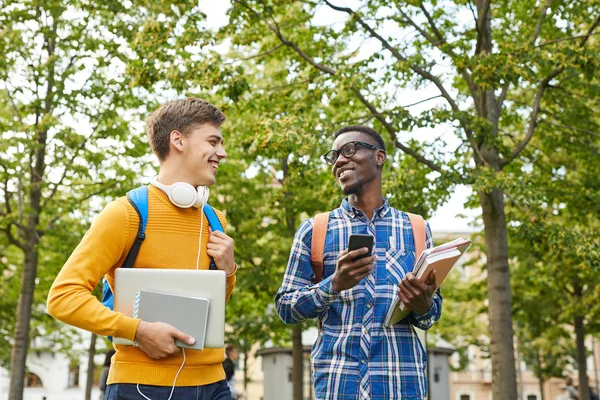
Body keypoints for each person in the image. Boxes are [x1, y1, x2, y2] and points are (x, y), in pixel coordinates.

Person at [47, 98, 238, 400]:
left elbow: (211, 309)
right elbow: (63, 297)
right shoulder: (125, 214)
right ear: (178, 140)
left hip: (215, 385)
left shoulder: (215, 220)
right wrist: (137, 331)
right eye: (213, 141)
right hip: (141, 387)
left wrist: (228, 271)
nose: (222, 153)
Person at [276, 125, 442, 399]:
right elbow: (286, 307)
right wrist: (333, 285)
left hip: (400, 384)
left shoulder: (416, 228)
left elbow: (431, 315)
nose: (339, 161)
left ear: (379, 157)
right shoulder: (314, 229)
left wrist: (423, 305)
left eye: (350, 150)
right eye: (334, 156)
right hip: (337, 384)